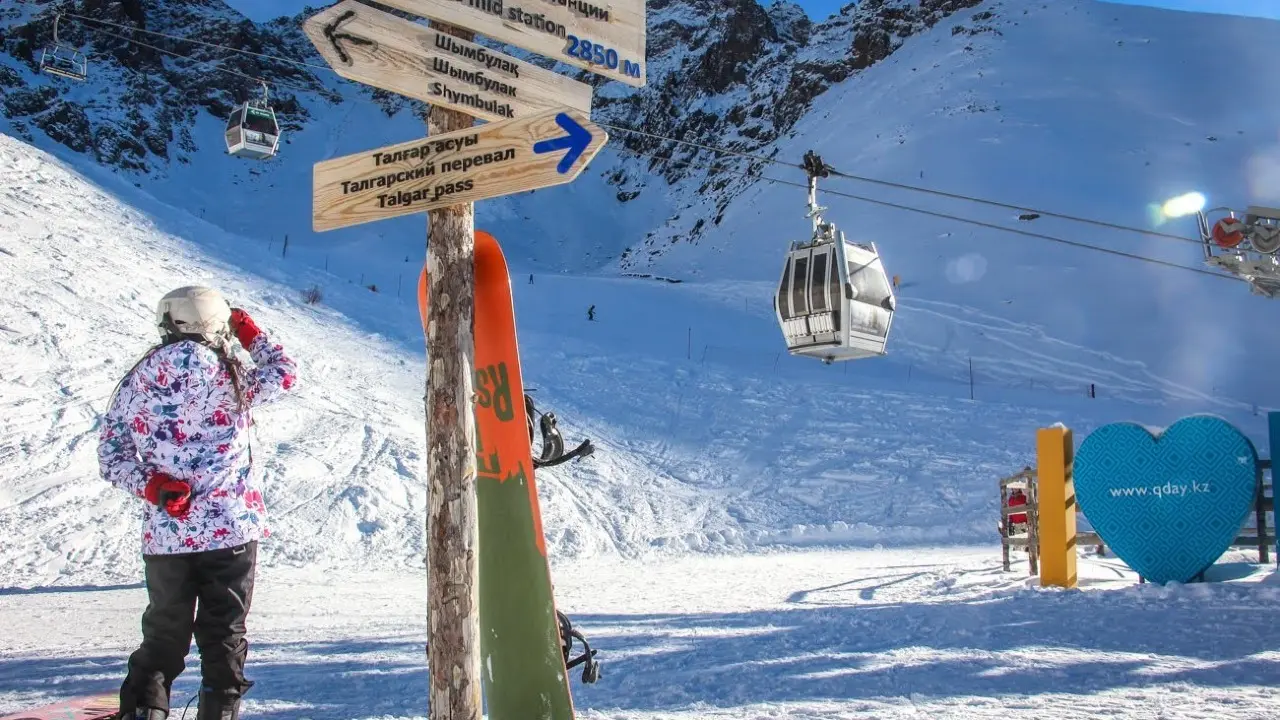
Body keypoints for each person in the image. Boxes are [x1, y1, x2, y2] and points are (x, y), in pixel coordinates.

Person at [98, 286, 297, 720]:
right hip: (231, 530)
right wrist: (248, 332)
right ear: (217, 325)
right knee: (224, 633)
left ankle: (144, 711)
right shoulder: (232, 376)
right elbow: (284, 372)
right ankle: (219, 712)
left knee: (164, 635)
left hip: (167, 536)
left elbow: (112, 458)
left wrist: (155, 486)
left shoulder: (137, 381)